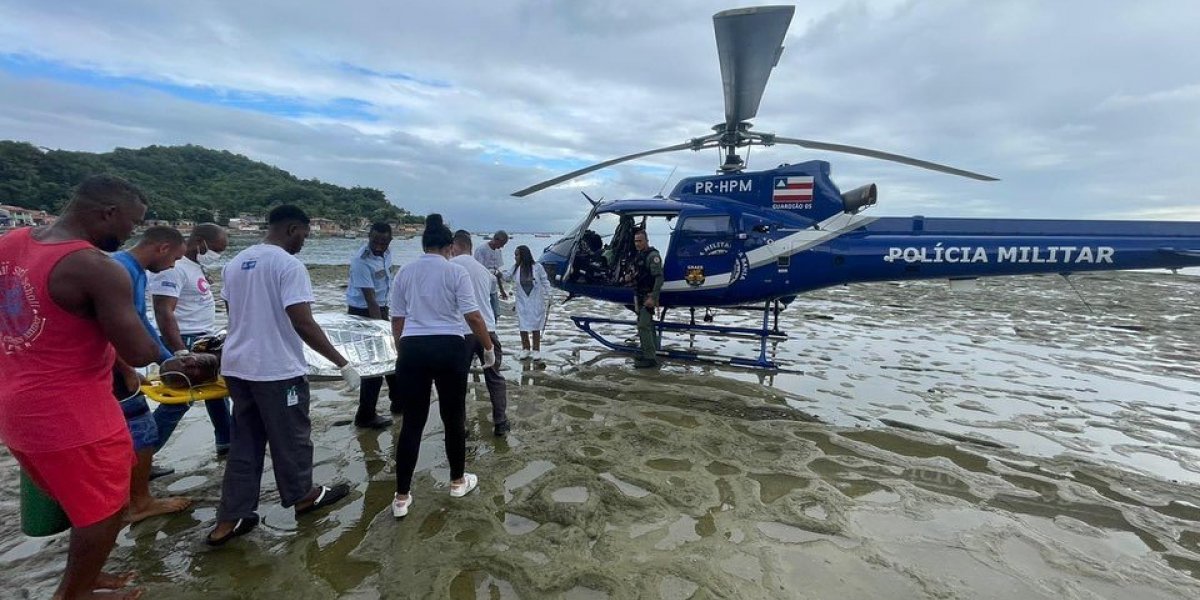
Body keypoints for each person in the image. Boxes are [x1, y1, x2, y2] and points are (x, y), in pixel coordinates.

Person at [0, 174, 164, 600]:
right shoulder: (96, 267)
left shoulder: (13, 242)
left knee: (83, 503)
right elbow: (139, 349)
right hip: (73, 415)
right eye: (132, 221)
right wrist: (167, 354)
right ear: (108, 213)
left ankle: (88, 579)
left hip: (17, 405)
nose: (132, 233)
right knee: (108, 511)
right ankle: (73, 595)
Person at [207, 205, 361, 546]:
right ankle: (303, 496)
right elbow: (302, 320)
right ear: (293, 229)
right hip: (275, 370)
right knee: (291, 438)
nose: (304, 242)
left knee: (244, 442)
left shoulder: (235, 263)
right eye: (304, 235)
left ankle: (230, 518)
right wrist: (342, 363)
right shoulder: (288, 265)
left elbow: (236, 317)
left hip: (237, 367)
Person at [390, 214, 494, 519]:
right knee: (453, 417)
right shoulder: (455, 272)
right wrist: (488, 348)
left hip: (413, 348)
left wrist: (402, 350)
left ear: (423, 244)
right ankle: (458, 481)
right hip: (449, 346)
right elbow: (473, 316)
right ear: (450, 246)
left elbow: (397, 320)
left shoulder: (404, 273)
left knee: (412, 422)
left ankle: (401, 498)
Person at [110, 226, 195, 523]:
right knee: (142, 430)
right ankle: (140, 502)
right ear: (162, 248)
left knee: (130, 430)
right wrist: (126, 369)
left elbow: (140, 320)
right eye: (175, 258)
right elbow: (107, 326)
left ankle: (133, 486)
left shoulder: (136, 271)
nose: (174, 266)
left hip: (120, 365)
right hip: (111, 367)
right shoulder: (120, 269)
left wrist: (166, 359)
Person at [149, 223, 234, 455]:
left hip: (201, 338)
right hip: (184, 340)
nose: (217, 255)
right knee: (179, 400)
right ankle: (141, 457)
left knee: (216, 393)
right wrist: (180, 353)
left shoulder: (193, 266)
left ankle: (227, 442)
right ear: (199, 242)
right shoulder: (173, 268)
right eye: (215, 249)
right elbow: (163, 311)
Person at [450, 230, 510, 436]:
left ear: (454, 246)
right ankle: (500, 422)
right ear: (471, 247)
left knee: (457, 381)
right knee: (494, 377)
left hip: (461, 332)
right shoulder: (484, 272)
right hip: (488, 330)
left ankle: (461, 425)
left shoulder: (450, 268)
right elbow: (490, 302)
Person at [345, 222, 399, 428]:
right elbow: (370, 299)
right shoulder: (361, 261)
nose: (378, 246)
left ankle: (399, 401)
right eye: (375, 241)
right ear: (368, 236)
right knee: (374, 365)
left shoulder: (388, 253)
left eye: (383, 242)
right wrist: (380, 328)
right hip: (363, 314)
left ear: (389, 241)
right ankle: (365, 415)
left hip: (382, 309)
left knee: (393, 356)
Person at [506, 245, 550, 360]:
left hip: (536, 300)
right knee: (523, 325)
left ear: (523, 255)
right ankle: (525, 348)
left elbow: (545, 280)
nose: (515, 257)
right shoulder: (515, 268)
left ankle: (536, 350)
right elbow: (507, 277)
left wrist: (550, 294)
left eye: (517, 255)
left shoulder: (537, 267)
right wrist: (496, 273)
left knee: (536, 324)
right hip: (522, 300)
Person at [631, 229, 664, 369]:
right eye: (635, 241)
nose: (637, 244)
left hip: (648, 296)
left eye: (640, 241)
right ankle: (651, 350)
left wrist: (653, 297)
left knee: (643, 325)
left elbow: (659, 277)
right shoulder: (640, 255)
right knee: (648, 324)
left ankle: (650, 358)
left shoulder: (653, 256)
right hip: (640, 295)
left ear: (646, 241)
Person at [473, 230, 509, 320]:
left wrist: (502, 290)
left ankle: (492, 332)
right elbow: (477, 270)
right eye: (502, 243)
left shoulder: (498, 252)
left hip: (493, 289)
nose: (502, 246)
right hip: (483, 289)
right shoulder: (481, 250)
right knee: (484, 315)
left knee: (495, 314)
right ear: (496, 239)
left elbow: (498, 272)